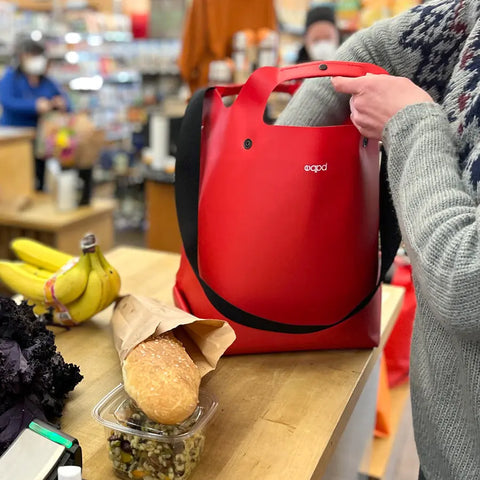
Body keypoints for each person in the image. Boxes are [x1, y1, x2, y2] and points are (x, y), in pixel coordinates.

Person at [278, 0, 480, 478]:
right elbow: (370, 53)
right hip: (445, 444)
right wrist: (279, 170)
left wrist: (411, 122)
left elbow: (466, 280)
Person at [0, 36, 72, 190]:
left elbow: (65, 101)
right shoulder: (11, 77)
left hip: (42, 139)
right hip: (16, 137)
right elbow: (7, 101)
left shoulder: (47, 81)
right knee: (18, 178)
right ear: (21, 57)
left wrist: (61, 103)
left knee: (40, 177)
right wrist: (34, 105)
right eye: (31, 56)